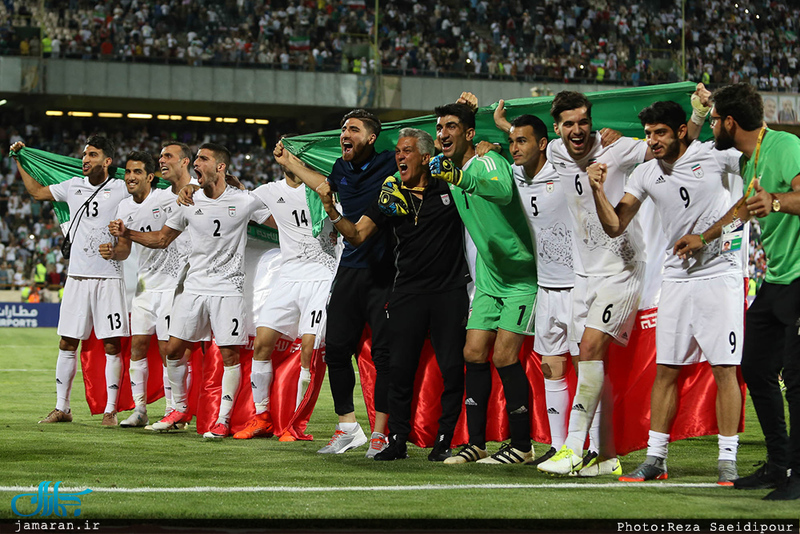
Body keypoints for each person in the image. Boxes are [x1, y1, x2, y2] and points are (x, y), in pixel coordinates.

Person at [589, 100, 744, 485]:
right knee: (666, 370)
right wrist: (596, 190)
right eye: (648, 134)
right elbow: (615, 226)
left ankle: (727, 460)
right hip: (675, 279)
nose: (652, 141)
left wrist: (707, 236)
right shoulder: (644, 174)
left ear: (679, 131)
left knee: (725, 369)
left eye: (660, 132)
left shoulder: (715, 156)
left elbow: (747, 200)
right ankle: (656, 459)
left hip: (720, 274)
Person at [674, 83, 800, 501]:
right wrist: (704, 237)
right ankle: (779, 464)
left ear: (730, 123)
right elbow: (743, 209)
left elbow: (791, 196)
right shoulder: (750, 158)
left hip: (799, 278)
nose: (711, 126)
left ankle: (798, 473)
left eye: (715, 119)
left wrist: (778, 202)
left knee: (796, 378)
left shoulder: (785, 145)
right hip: (777, 280)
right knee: (756, 367)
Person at [315, 128, 470, 461]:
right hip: (407, 292)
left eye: (408, 151)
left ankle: (444, 440)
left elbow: (471, 162)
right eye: (398, 151)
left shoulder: (450, 188)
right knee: (399, 369)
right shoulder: (390, 194)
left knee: (452, 368)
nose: (399, 156)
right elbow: (356, 235)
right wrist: (331, 208)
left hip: (449, 292)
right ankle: (396, 440)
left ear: (426, 158)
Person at [109, 143, 271, 438]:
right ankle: (179, 408)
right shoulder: (188, 201)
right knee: (173, 349)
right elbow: (161, 239)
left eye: (203, 159)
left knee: (229, 355)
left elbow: (277, 225)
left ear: (220, 167)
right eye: (195, 159)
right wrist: (128, 233)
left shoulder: (245, 200)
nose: (197, 163)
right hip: (193, 286)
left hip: (228, 289)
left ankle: (223, 419)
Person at [538, 91, 650, 477]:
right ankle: (605, 457)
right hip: (583, 275)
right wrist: (498, 130)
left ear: (591, 122)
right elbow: (520, 138)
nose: (577, 130)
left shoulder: (616, 149)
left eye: (583, 121)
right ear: (557, 129)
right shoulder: (553, 151)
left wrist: (699, 114)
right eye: (568, 123)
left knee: (589, 348)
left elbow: (667, 148)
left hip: (622, 267)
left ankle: (572, 448)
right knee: (586, 358)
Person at [273, 109, 396, 457]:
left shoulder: (389, 163)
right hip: (349, 272)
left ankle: (381, 434)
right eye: (343, 129)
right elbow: (322, 185)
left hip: (385, 272)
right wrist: (291, 162)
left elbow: (420, 153)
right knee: (337, 351)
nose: (345, 134)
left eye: (353, 129)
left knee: (384, 356)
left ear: (371, 138)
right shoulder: (342, 169)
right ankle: (348, 427)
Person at [427, 102, 538, 465]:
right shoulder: (452, 171)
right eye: (440, 127)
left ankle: (522, 444)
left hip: (521, 277)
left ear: (470, 134)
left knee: (505, 356)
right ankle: (476, 443)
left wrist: (462, 176)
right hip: (490, 280)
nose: (443, 133)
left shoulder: (488, 162)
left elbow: (503, 191)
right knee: (473, 353)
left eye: (452, 126)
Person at [11, 136, 130, 426]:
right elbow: (37, 192)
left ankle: (110, 410)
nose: (85, 159)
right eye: (84, 154)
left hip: (108, 277)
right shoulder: (72, 185)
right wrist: (19, 160)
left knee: (112, 345)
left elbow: (154, 190)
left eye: (92, 154)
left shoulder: (121, 189)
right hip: (76, 278)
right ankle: (62, 408)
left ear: (107, 161)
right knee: (67, 342)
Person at [486, 105, 581, 465]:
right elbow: (505, 155)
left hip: (578, 286)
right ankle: (558, 446)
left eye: (521, 141)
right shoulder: (514, 175)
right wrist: (494, 138)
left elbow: (577, 141)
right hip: (546, 286)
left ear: (544, 144)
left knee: (584, 367)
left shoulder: (565, 166)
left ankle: (588, 445)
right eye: (511, 142)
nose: (513, 147)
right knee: (551, 367)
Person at [229, 157, 337, 440]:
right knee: (262, 344)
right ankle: (261, 417)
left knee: (309, 349)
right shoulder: (268, 191)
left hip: (322, 276)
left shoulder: (323, 187)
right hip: (288, 277)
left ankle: (296, 423)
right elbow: (235, 206)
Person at [99, 149, 193, 429]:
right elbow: (125, 251)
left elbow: (162, 237)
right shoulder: (124, 207)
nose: (130, 177)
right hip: (143, 284)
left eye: (137, 172)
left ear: (150, 177)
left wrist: (189, 186)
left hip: (171, 283)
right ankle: (140, 410)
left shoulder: (166, 198)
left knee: (167, 349)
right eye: (127, 172)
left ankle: (173, 410)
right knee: (138, 347)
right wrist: (112, 252)